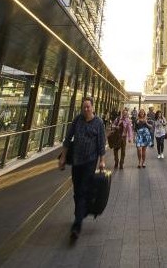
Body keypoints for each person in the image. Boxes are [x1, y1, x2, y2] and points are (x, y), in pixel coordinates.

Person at [58, 96, 106, 240]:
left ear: (93, 107)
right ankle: (81, 211)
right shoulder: (77, 120)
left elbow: (101, 143)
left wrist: (102, 161)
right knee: (76, 190)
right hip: (76, 161)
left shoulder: (98, 123)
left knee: (83, 190)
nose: (86, 109)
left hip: (90, 162)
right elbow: (68, 139)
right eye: (84, 107)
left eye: (88, 107)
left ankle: (77, 225)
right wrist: (63, 157)